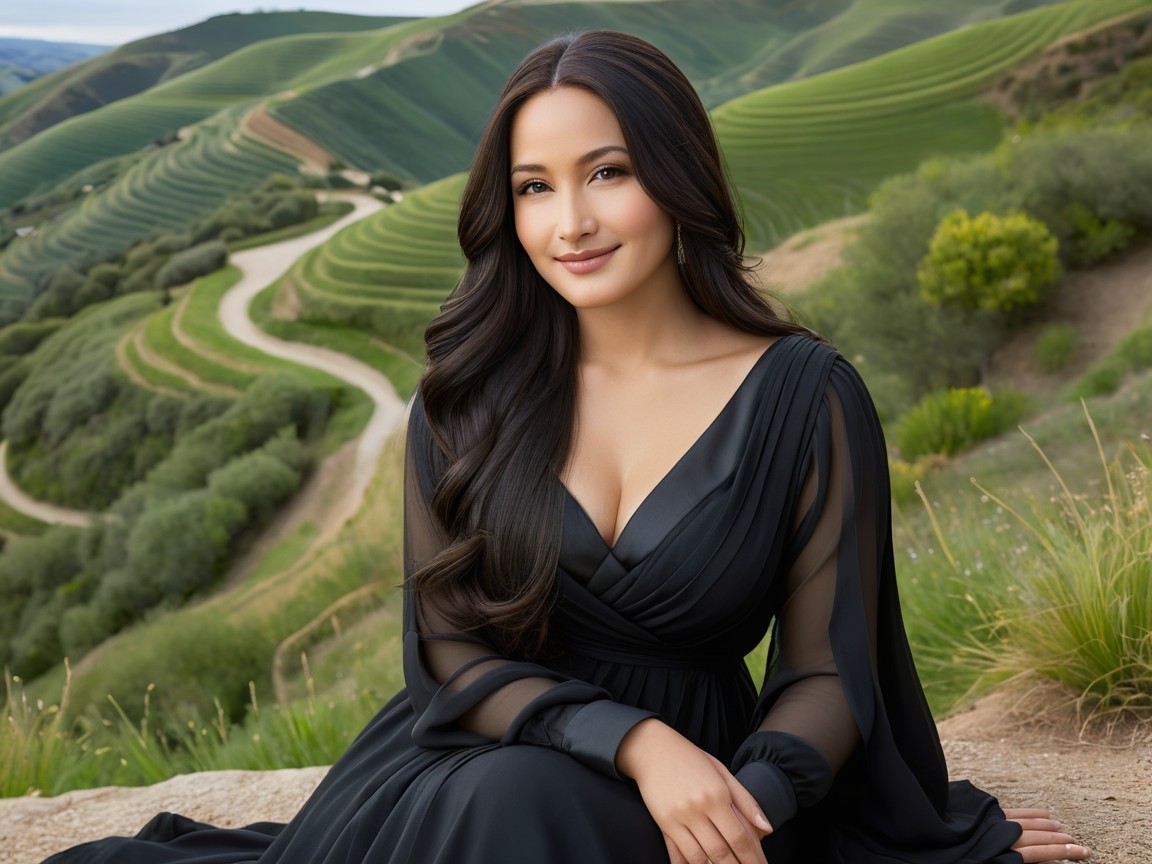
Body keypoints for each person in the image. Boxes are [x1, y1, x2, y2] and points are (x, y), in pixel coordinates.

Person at [43, 29, 1092, 864]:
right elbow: (448, 655)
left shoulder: (806, 397)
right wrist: (637, 745)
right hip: (481, 755)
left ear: (678, 176)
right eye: (535, 186)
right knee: (517, 799)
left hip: (710, 778)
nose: (570, 222)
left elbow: (831, 669)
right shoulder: (463, 400)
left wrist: (748, 803)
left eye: (608, 172)